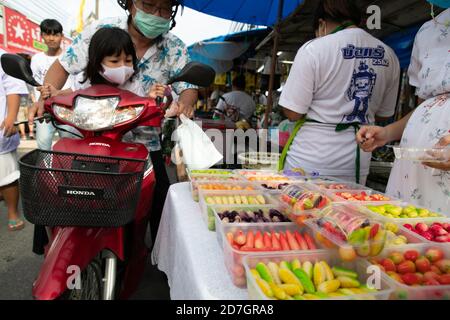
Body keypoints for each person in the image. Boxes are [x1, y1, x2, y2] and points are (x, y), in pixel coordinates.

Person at [35, 0, 198, 245]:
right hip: (88, 135)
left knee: (164, 202)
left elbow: (188, 87)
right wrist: (44, 98)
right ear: (131, 4)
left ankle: (164, 263)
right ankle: (50, 246)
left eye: (164, 9)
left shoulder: (174, 47)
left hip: (143, 144)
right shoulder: (100, 30)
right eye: (149, 5)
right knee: (50, 186)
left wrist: (186, 103)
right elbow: (62, 66)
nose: (156, 14)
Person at [278, 0, 400, 184]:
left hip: (312, 157)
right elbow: (384, 115)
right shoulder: (388, 54)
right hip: (358, 159)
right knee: (348, 210)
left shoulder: (314, 49)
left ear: (321, 24)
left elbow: (293, 113)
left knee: (300, 209)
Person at [357, 1, 450, 214]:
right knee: (410, 228)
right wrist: (388, 133)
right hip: (415, 163)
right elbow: (426, 106)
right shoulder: (428, 30)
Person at [30, 19, 77, 150]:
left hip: (67, 109)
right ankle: (46, 170)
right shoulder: (36, 59)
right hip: (44, 110)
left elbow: (76, 85)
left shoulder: (70, 58)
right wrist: (37, 102)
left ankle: (67, 170)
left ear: (62, 36)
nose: (51, 38)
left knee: (70, 145)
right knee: (43, 145)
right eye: (47, 34)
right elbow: (35, 83)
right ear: (42, 36)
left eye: (55, 34)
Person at [0, 49, 29, 231]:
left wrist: (11, 117)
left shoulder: (4, 58)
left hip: (1, 129)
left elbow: (13, 90)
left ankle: (12, 212)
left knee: (7, 176)